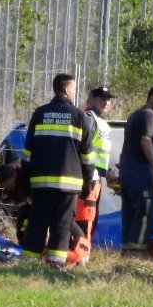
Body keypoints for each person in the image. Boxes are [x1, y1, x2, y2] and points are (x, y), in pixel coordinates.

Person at [19, 74, 95, 267]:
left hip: (40, 182)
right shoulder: (79, 116)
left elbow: (27, 152)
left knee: (37, 222)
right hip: (69, 184)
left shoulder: (40, 113)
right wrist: (88, 183)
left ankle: (29, 262)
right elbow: (87, 156)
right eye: (74, 89)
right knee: (62, 224)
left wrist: (25, 180)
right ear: (68, 90)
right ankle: (56, 263)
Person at [67, 85, 116, 266]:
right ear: (91, 99)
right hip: (85, 177)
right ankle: (79, 255)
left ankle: (82, 252)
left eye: (109, 99)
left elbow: (99, 152)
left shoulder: (100, 121)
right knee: (83, 217)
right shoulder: (87, 117)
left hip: (96, 176)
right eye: (101, 98)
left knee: (90, 217)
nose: (106, 102)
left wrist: (107, 172)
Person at [119, 85, 153, 255]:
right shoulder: (149, 115)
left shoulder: (134, 115)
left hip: (127, 173)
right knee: (144, 214)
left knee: (129, 214)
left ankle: (126, 252)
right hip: (141, 174)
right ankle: (136, 253)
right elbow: (145, 140)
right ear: (152, 98)